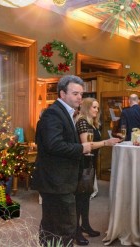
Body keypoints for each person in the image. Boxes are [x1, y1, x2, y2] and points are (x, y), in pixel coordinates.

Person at [32, 75, 92, 247]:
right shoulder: (53, 113)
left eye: (81, 94)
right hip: (56, 182)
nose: (80, 97)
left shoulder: (65, 112)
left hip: (59, 181)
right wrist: (82, 148)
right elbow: (54, 145)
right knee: (65, 227)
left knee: (52, 226)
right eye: (75, 93)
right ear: (62, 93)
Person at [75, 98, 121, 246]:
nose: (97, 110)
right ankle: (76, 231)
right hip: (82, 164)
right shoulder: (82, 121)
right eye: (94, 107)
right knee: (79, 198)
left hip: (90, 164)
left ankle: (85, 225)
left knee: (86, 196)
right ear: (87, 107)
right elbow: (86, 145)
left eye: (98, 107)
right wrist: (106, 143)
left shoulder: (92, 123)